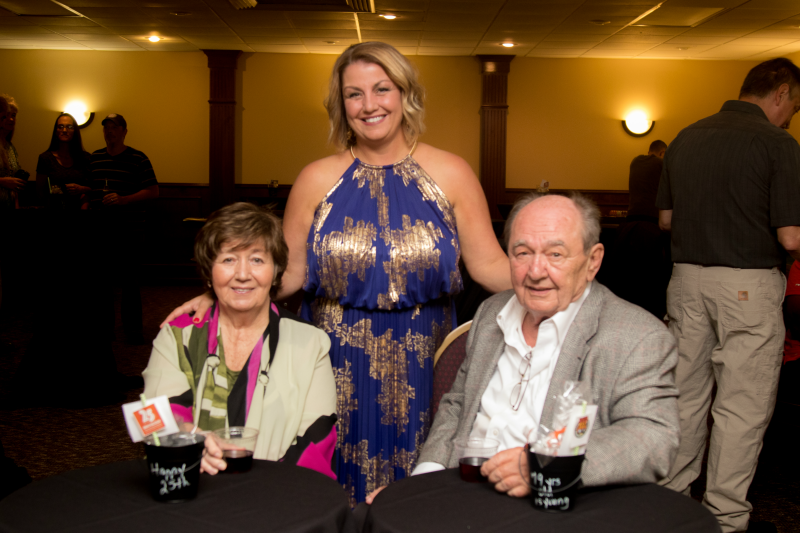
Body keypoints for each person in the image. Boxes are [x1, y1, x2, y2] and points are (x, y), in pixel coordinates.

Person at [163, 41, 511, 504]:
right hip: (333, 357)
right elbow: (286, 275)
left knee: (419, 486)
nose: (369, 105)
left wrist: (564, 286)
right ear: (340, 104)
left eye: (382, 88)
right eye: (354, 94)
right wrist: (225, 293)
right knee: (328, 481)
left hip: (425, 359)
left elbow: (489, 265)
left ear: (405, 94)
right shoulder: (315, 178)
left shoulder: (453, 173)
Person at [393, 193, 679, 500]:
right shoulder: (491, 313)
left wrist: (547, 466)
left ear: (592, 261)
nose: (536, 271)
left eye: (556, 255)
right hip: (465, 495)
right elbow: (459, 404)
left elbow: (653, 436)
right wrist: (424, 483)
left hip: (552, 507)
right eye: (523, 253)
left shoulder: (636, 336)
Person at [656, 57, 800, 533]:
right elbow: (790, 238)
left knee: (683, 400)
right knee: (741, 407)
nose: (790, 117)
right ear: (780, 93)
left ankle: (670, 507)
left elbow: (666, 221)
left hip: (685, 282)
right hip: (748, 285)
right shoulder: (778, 143)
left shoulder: (686, 137)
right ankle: (724, 519)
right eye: (793, 107)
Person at [143, 202, 337, 477]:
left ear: (275, 271)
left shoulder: (310, 343)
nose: (243, 274)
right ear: (209, 271)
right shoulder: (179, 335)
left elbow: (317, 442)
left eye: (257, 260)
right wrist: (188, 439)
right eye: (228, 259)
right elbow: (157, 415)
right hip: (193, 485)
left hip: (278, 498)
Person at [87, 113, 159, 344]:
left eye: (114, 127)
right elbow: (91, 189)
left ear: (124, 131)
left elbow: (153, 191)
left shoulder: (138, 158)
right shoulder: (95, 158)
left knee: (130, 282)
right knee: (102, 283)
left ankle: (133, 329)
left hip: (130, 230)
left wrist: (124, 200)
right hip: (101, 229)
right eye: (106, 128)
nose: (110, 131)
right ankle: (104, 328)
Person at [605, 139, 671, 318]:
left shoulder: (635, 161)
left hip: (628, 226)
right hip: (650, 227)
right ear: (662, 153)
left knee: (627, 278)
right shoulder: (660, 164)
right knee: (650, 279)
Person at [35, 113, 91, 209]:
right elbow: (40, 192)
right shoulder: (45, 158)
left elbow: (94, 189)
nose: (64, 130)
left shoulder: (86, 158)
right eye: (60, 127)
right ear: (56, 131)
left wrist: (81, 189)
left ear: (75, 131)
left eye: (69, 127)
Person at [0, 95, 28, 211]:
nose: (11, 119)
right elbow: (8, 182)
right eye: (6, 115)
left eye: (13, 115)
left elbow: (13, 181)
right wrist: (2, 181)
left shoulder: (10, 147)